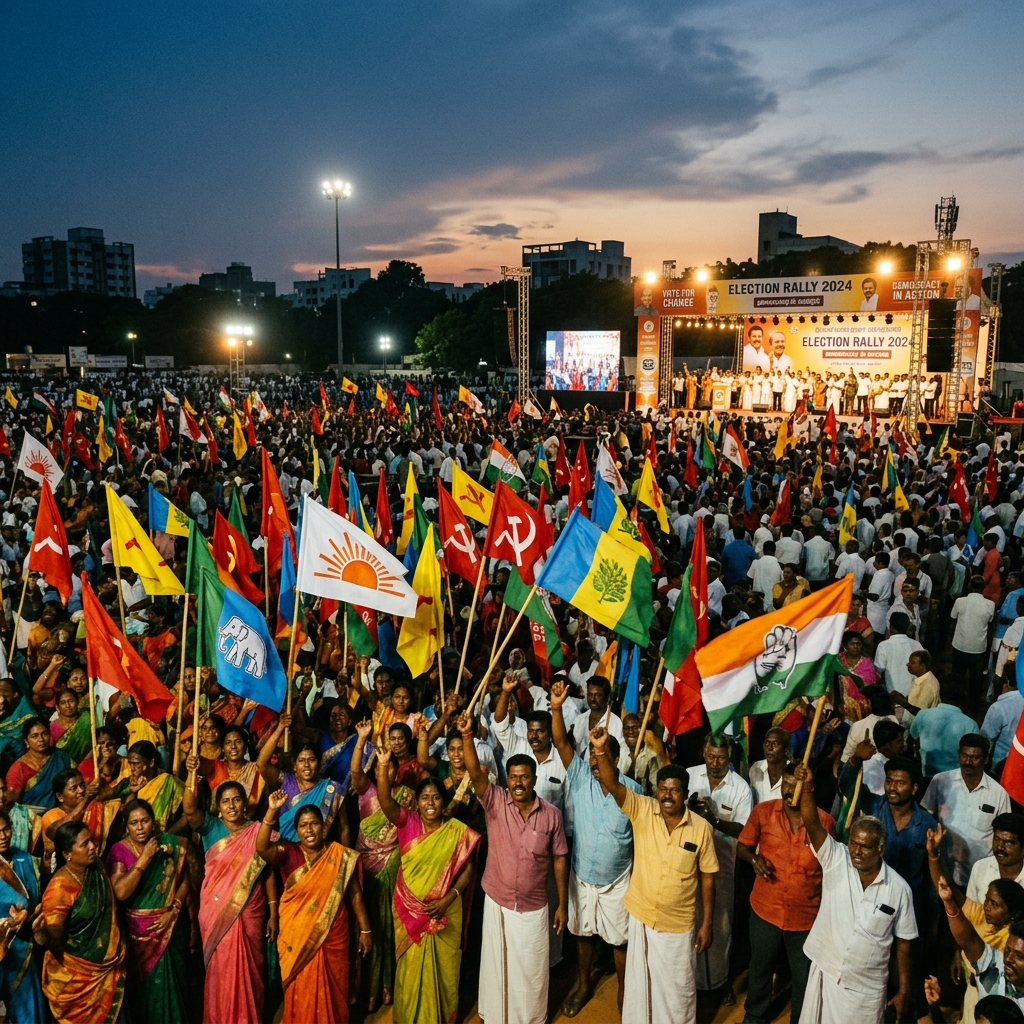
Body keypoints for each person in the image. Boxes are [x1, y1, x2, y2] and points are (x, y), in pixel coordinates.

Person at [591, 724, 717, 1024]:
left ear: (685, 794)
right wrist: (600, 749)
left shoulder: (701, 829)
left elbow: (709, 877)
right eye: (663, 789)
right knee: (640, 984)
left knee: (678, 990)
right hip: (642, 917)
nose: (667, 795)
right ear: (656, 791)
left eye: (674, 790)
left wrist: (707, 923)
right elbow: (612, 782)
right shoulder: (642, 809)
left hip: (678, 924)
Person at [456, 709, 568, 1024]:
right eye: (514, 777)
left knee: (532, 967)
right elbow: (476, 774)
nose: (518, 783)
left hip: (534, 905)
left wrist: (562, 904)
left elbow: (560, 857)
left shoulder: (551, 815)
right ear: (508, 779)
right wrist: (467, 735)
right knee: (497, 965)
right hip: (498, 900)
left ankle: (530, 1019)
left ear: (534, 779)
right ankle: (496, 1016)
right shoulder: (494, 801)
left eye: (524, 777)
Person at [791, 763, 917, 1023]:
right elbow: (812, 822)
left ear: (881, 849)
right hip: (827, 971)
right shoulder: (836, 859)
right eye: (854, 844)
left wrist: (904, 990)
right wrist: (808, 788)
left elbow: (904, 943)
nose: (856, 852)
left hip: (866, 990)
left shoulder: (899, 889)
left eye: (865, 847)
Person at [549, 680, 642, 1016]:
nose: (593, 762)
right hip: (582, 875)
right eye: (592, 756)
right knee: (583, 933)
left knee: (619, 940)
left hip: (618, 880)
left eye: (602, 756)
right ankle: (584, 984)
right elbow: (560, 741)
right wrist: (557, 707)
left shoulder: (633, 792)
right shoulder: (581, 778)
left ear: (616, 759)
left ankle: (623, 990)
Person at [374, 750, 479, 1024]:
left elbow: (468, 869)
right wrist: (384, 767)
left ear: (443, 802)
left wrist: (449, 899)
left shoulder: (456, 830)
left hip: (446, 911)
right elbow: (385, 800)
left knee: (444, 968)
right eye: (425, 798)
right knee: (410, 967)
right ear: (416, 803)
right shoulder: (407, 822)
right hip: (410, 913)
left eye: (435, 797)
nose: (430, 802)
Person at [257, 788, 373, 1023]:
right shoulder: (288, 853)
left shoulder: (339, 855)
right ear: (296, 830)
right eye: (303, 825)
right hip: (297, 936)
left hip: (334, 934)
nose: (309, 830)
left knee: (334, 985)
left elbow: (355, 894)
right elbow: (262, 848)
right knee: (301, 986)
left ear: (324, 826)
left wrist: (365, 930)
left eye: (314, 824)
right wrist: (271, 812)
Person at [737, 761, 836, 1024]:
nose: (789, 792)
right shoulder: (763, 812)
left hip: (806, 918)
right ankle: (755, 1016)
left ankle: (801, 1019)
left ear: (809, 789)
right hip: (765, 910)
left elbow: (832, 872)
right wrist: (752, 859)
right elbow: (742, 846)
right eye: (786, 785)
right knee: (760, 968)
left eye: (797, 786)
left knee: (803, 976)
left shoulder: (824, 823)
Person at [183, 763, 277, 1024]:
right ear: (218, 807)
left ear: (246, 803)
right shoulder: (211, 828)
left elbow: (268, 871)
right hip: (216, 913)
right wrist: (192, 773)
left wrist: (273, 910)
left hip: (252, 911)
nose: (232, 805)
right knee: (222, 968)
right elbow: (190, 809)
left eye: (237, 799)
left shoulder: (258, 830)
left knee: (251, 970)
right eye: (226, 801)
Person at [34, 821, 127, 1024]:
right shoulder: (60, 887)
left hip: (109, 969)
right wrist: (43, 934)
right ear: (67, 853)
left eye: (91, 841)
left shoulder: (97, 868)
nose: (93, 846)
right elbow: (54, 932)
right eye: (84, 844)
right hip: (78, 977)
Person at [107, 797, 190, 1023]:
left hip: (169, 927)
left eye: (145, 821)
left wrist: (173, 910)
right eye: (134, 823)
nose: (140, 827)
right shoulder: (119, 851)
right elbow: (120, 893)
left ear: (154, 822)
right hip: (137, 934)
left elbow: (184, 881)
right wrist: (144, 859)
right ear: (126, 826)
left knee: (175, 986)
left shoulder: (171, 844)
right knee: (145, 993)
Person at [350, 717, 413, 1013]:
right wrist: (363, 738)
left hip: (392, 865)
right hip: (365, 866)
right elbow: (353, 771)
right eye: (379, 767)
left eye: (389, 767)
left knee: (388, 926)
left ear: (397, 771)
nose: (383, 771)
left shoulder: (404, 796)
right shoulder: (365, 790)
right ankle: (366, 990)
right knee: (366, 926)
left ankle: (387, 985)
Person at [686, 732, 753, 1002]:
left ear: (729, 757)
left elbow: (744, 829)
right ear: (704, 752)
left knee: (720, 924)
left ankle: (719, 982)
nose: (715, 763)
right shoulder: (689, 775)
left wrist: (713, 819)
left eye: (721, 758)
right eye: (711, 757)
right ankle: (689, 982)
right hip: (688, 865)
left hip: (722, 866)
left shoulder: (740, 787)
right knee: (690, 921)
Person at [921, 734, 1011, 888]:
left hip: (980, 877)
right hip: (943, 870)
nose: (968, 762)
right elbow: (926, 816)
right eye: (964, 756)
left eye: (975, 757)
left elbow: (1004, 832)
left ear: (986, 759)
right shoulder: (940, 781)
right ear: (959, 754)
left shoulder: (998, 793)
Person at [257, 715, 342, 840]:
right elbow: (261, 763)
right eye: (301, 760)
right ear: (294, 766)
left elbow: (343, 827)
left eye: (311, 760)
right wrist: (280, 728)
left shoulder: (331, 788)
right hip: (289, 849)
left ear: (318, 763)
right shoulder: (286, 781)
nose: (306, 765)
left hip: (319, 852)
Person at [0, 807, 45, 1022]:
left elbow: (36, 901)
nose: (2, 836)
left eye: (6, 829)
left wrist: (27, 915)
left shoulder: (24, 859)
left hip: (24, 943)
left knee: (28, 1009)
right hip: (2, 947)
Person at [114, 740, 184, 830]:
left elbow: (187, 812)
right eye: (130, 763)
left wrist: (169, 834)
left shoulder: (169, 781)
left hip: (161, 835)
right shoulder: (130, 781)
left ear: (151, 763)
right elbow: (127, 815)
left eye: (136, 764)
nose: (131, 768)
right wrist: (134, 792)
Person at [5, 717, 72, 810]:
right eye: (35, 736)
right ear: (26, 741)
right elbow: (11, 798)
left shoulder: (61, 756)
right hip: (33, 819)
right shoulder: (19, 768)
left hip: (63, 812)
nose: (41, 739)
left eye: (44, 734)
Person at [748, 726, 790, 803]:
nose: (769, 747)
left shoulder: (793, 773)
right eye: (767, 743)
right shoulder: (756, 768)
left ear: (786, 750)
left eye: (776, 744)